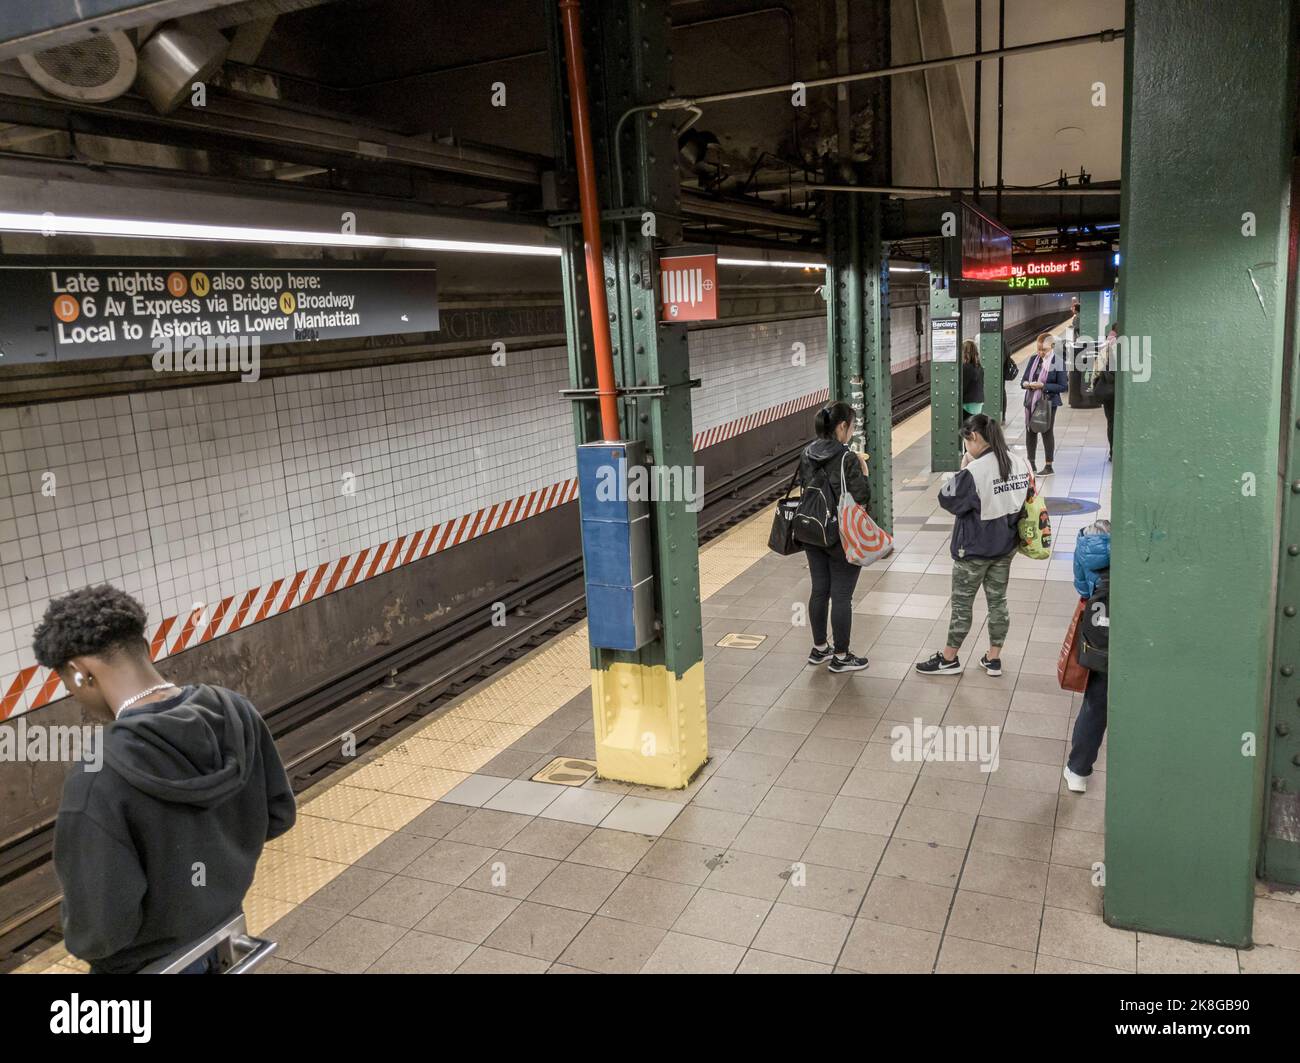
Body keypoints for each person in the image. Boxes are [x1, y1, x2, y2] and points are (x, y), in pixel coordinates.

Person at [31, 585, 296, 974]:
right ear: (143, 644)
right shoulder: (234, 710)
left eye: (68, 685)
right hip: (225, 934)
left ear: (80, 672)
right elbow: (278, 815)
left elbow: (101, 929)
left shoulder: (98, 773)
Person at [916, 414, 1032, 676]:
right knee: (998, 602)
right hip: (1005, 548)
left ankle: (949, 659)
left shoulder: (975, 471)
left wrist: (963, 468)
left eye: (966, 442)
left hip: (974, 550)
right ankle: (993, 659)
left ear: (975, 437)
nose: (966, 447)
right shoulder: (1019, 462)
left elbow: (947, 499)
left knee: (962, 605)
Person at [799, 401, 872, 673]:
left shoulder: (807, 452)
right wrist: (864, 473)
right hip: (840, 533)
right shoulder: (847, 458)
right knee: (842, 595)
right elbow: (862, 496)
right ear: (842, 426)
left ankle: (820, 649)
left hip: (812, 529)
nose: (851, 431)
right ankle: (841, 656)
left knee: (820, 589)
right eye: (851, 426)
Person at [1064, 520, 1111, 793]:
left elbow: (1083, 590)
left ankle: (1078, 771)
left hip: (1101, 637)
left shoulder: (1086, 544)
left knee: (1096, 705)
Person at [1020, 332, 1068, 474]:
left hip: (1048, 402)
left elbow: (1063, 386)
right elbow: (1023, 380)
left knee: (1046, 431)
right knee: (1030, 431)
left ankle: (1048, 466)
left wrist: (1043, 386)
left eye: (1044, 350)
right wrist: (1027, 384)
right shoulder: (1033, 359)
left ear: (1052, 347)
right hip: (1031, 401)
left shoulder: (1058, 362)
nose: (1040, 353)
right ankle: (1031, 464)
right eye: (1039, 349)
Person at [1093, 321, 1118, 460]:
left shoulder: (1106, 345)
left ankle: (1112, 452)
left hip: (1107, 392)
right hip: (1114, 391)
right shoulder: (1118, 346)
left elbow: (1097, 369)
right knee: (1114, 422)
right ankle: (1114, 451)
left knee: (1111, 422)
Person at [960, 339, 984, 424]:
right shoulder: (979, 366)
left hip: (968, 405)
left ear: (965, 353)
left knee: (966, 429)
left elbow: (962, 388)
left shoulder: (966, 368)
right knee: (973, 428)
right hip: (978, 403)